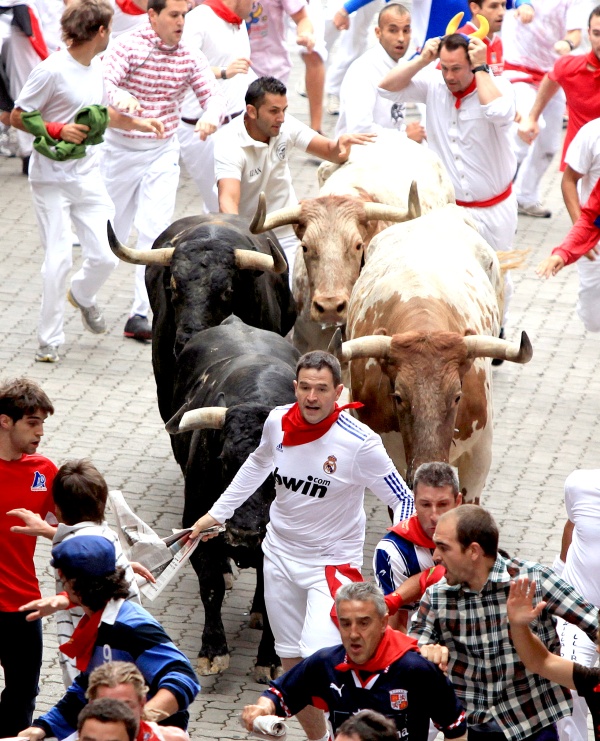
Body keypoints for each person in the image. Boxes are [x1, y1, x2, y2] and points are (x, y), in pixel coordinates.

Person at [191, 351, 414, 741]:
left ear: (338, 393)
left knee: (318, 656)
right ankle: (321, 739)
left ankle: (354, 732)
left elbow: (403, 498)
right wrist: (217, 513)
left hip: (330, 566)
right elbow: (257, 464)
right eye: (305, 388)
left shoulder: (360, 443)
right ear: (295, 388)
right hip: (277, 557)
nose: (312, 397)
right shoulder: (277, 421)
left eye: (322, 390)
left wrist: (398, 553)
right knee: (292, 663)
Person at [9, 0, 163, 363]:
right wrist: (55, 128)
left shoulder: (97, 65)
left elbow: (102, 110)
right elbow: (18, 115)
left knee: (106, 254)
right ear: (100, 32)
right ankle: (49, 341)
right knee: (58, 258)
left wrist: (138, 122)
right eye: (110, 28)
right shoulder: (51, 71)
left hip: (88, 177)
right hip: (50, 179)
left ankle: (82, 295)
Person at [414, 505, 599, 741]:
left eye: (443, 547)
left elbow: (593, 621)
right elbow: (414, 647)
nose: (435, 556)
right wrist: (425, 652)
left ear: (473, 551)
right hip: (473, 732)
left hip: (534, 728)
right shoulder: (437, 596)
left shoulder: (532, 580)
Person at [101, 0, 226, 342]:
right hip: (119, 149)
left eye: (184, 14)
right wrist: (122, 96)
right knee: (108, 235)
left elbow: (213, 95)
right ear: (152, 16)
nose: (181, 22)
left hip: (162, 150)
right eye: (174, 14)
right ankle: (84, 293)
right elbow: (104, 85)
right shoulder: (128, 46)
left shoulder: (189, 55)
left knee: (155, 231)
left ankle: (141, 313)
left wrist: (209, 117)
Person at [379, 32, 517, 330]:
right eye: (444, 67)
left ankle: (497, 328)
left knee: (496, 271)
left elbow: (498, 112)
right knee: (450, 274)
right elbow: (386, 89)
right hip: (450, 209)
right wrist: (422, 61)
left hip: (495, 209)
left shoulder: (498, 85)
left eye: (456, 68)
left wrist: (482, 69)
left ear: (472, 64)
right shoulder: (433, 83)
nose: (449, 76)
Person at [18, 535, 200, 739]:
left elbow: (184, 678)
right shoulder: (102, 620)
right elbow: (85, 690)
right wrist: (41, 728)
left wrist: (137, 723)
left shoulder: (131, 627)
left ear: (66, 581)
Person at [241, 581, 467, 739]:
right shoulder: (325, 663)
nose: (353, 633)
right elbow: (280, 694)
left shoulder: (416, 669)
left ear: (383, 622)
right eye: (345, 623)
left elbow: (455, 727)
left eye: (364, 622)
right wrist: (262, 708)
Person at [214, 76, 374, 278]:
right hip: (249, 236)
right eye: (273, 111)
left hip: (287, 232)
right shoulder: (229, 143)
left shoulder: (284, 125)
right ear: (252, 112)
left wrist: (340, 147)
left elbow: (328, 150)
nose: (281, 118)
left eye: (284, 110)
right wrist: (242, 242)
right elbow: (227, 200)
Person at [10, 459, 145, 688]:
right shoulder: (104, 536)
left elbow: (99, 593)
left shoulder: (75, 549)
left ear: (57, 509)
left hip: (97, 655)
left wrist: (61, 601)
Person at [0, 377, 56, 735]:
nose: (39, 433)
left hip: (23, 605)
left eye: (42, 425)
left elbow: (74, 532)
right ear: (5, 420)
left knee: (22, 696)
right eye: (32, 423)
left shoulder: (44, 472)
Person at [502, 0, 588, 218]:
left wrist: (567, 44)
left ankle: (525, 196)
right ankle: (497, 193)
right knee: (528, 127)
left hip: (550, 76)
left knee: (549, 145)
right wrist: (522, 3)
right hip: (518, 70)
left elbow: (575, 34)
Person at [177, 0, 255, 213]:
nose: (256, 5)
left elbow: (242, 72)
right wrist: (222, 71)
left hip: (237, 124)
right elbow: (180, 64)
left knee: (239, 199)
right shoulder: (199, 19)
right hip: (202, 131)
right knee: (219, 203)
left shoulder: (238, 23)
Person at [517, 6, 600, 190]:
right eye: (597, 33)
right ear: (589, 34)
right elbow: (552, 78)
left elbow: (573, 35)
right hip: (584, 169)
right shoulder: (571, 67)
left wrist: (568, 44)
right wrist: (532, 117)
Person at [507, 577, 600, 741]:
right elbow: (541, 662)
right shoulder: (594, 682)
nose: (597, 648)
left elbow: (540, 662)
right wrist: (518, 625)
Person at [373, 461, 461, 631]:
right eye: (425, 505)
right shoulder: (391, 551)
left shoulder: (475, 534)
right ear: (414, 502)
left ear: (458, 501)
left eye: (443, 504)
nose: (434, 516)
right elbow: (393, 627)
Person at [536, 116, 600, 331]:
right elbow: (591, 220)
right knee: (594, 320)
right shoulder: (593, 132)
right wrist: (563, 253)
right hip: (594, 243)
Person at [335, 3, 426, 141]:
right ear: (378, 32)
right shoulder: (363, 70)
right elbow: (359, 130)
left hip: (390, 150)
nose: (401, 38)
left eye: (406, 31)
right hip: (358, 154)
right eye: (393, 30)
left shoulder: (404, 66)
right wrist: (404, 136)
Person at [86, 661, 189, 740]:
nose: (116, 715)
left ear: (142, 703)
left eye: (126, 707)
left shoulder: (171, 739)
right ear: (91, 706)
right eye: (107, 707)